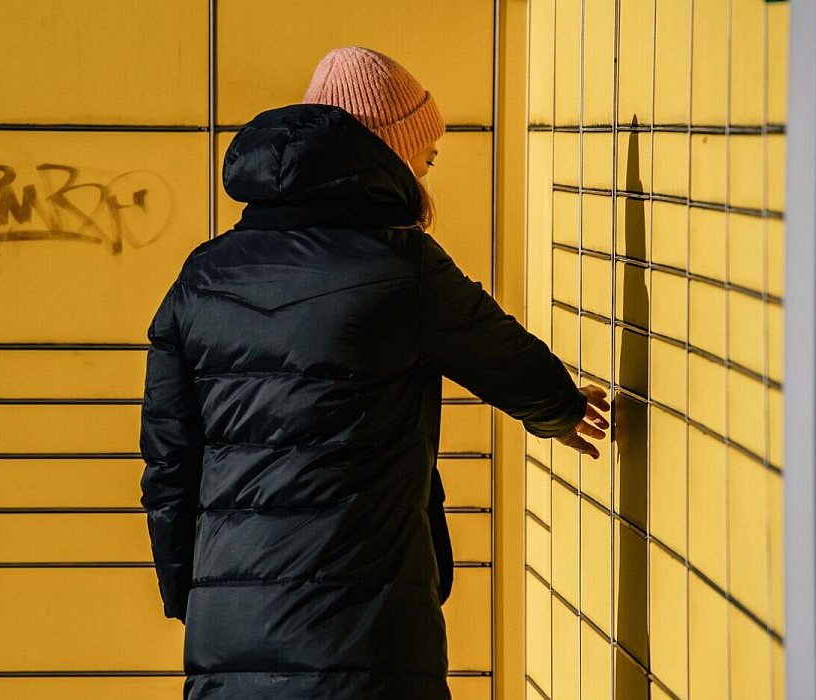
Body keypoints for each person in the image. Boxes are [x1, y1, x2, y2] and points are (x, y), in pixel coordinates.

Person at [140, 45, 610, 700]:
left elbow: (169, 462)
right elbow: (503, 354)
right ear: (383, 155)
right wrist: (560, 410)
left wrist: (194, 592)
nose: (425, 173)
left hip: (227, 631)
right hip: (364, 637)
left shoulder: (203, 275)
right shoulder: (399, 266)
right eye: (425, 157)